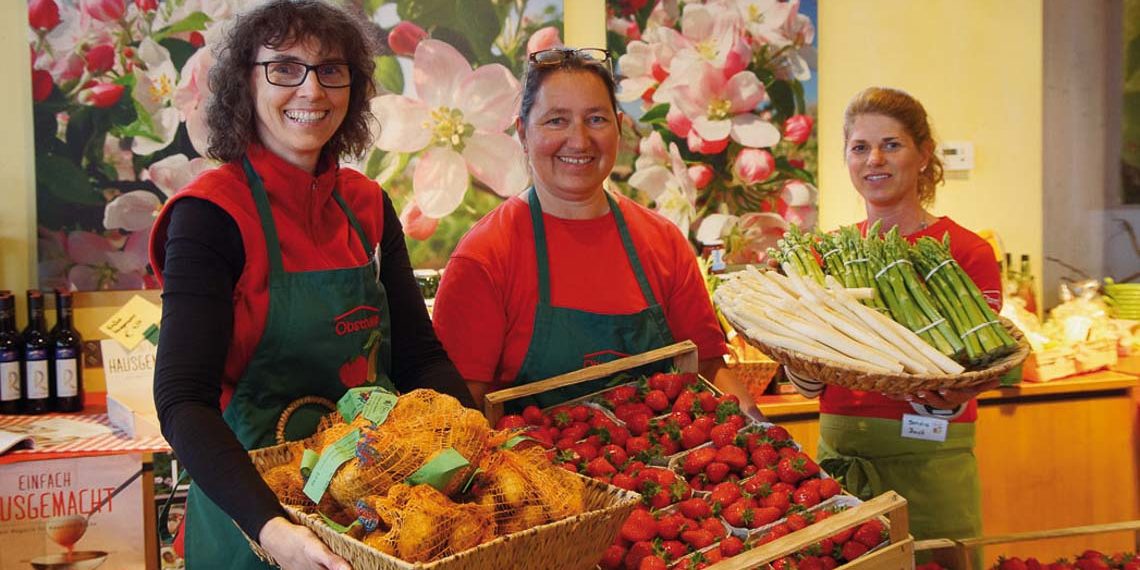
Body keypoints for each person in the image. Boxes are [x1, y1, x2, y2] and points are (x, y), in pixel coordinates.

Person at [149, 2, 475, 568]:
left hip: (374, 513)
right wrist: (272, 529)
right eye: (284, 68)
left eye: (330, 69)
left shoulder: (367, 206)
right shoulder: (209, 215)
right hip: (251, 521)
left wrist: (476, 448)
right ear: (243, 84)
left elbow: (421, 360)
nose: (311, 89)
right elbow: (182, 402)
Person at [431, 47, 729, 410]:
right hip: (524, 464)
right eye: (556, 120)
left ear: (619, 127)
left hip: (661, 462)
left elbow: (709, 371)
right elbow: (459, 415)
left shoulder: (664, 242)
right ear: (523, 133)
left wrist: (760, 426)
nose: (579, 140)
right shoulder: (483, 257)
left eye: (596, 119)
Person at [788, 86, 1002, 558]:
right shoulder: (824, 253)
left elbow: (983, 362)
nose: (874, 160)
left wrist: (965, 386)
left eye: (892, 144)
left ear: (924, 155)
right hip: (841, 456)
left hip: (933, 460)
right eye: (859, 147)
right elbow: (807, 382)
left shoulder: (966, 251)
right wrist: (799, 366)